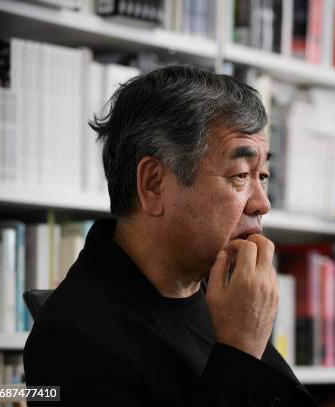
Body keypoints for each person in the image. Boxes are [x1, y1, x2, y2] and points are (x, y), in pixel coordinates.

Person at [24, 65, 318, 406]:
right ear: (154, 183)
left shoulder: (225, 293)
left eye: (262, 175)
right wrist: (241, 349)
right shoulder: (71, 340)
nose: (262, 203)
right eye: (240, 174)